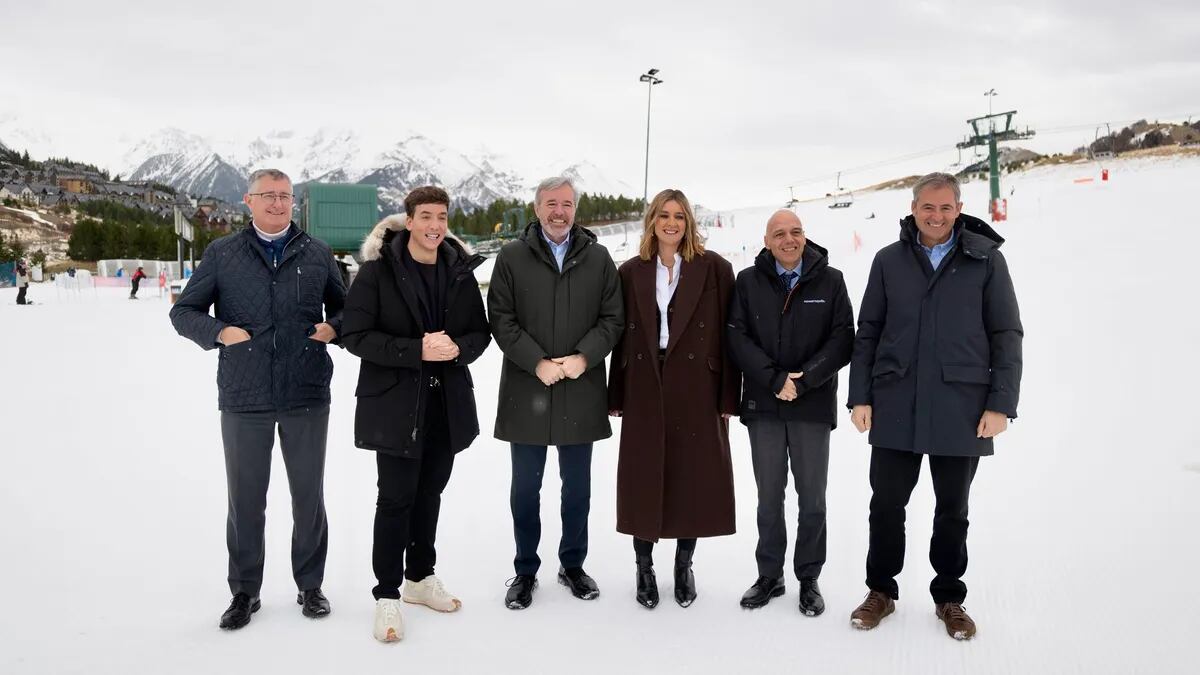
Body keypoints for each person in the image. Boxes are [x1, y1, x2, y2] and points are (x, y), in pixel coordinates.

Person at [846, 172, 1022, 641]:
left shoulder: (986, 260)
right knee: (886, 504)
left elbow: (1006, 333)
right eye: (928, 207)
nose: (937, 216)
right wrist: (860, 395)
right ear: (913, 208)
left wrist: (1001, 403)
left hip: (960, 404)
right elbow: (868, 332)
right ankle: (880, 591)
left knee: (952, 509)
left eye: (946, 207)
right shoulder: (889, 260)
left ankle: (949, 597)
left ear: (958, 209)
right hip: (896, 399)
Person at [169, 168, 346, 631]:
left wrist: (334, 328)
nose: (277, 203)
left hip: (306, 391)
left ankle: (310, 585)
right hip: (244, 396)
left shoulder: (318, 252)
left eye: (285, 195)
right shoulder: (223, 253)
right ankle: (245, 592)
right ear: (248, 201)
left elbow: (346, 308)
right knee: (246, 500)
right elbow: (183, 311)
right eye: (268, 195)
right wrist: (220, 332)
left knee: (308, 497)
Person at [341, 188, 491, 642]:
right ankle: (387, 594)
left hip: (446, 403)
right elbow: (355, 335)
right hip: (396, 405)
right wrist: (415, 350)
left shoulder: (459, 271)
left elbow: (480, 333)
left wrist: (457, 348)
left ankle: (420, 578)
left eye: (441, 217)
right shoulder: (377, 272)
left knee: (430, 494)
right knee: (395, 499)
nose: (434, 226)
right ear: (408, 221)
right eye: (425, 216)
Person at [487, 175, 623, 610]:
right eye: (551, 204)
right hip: (528, 387)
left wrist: (584, 357)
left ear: (575, 210)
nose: (559, 212)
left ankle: (572, 565)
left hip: (580, 388)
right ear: (537, 208)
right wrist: (537, 362)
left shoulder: (598, 258)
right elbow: (501, 318)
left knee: (577, 489)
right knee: (526, 490)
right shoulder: (512, 257)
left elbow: (613, 318)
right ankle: (525, 569)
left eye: (566, 204)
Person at [607, 189, 739, 609]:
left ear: (689, 223)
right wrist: (616, 392)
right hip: (645, 380)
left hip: (698, 383)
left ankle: (683, 566)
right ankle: (644, 567)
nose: (671, 223)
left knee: (691, 477)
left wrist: (728, 397)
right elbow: (620, 337)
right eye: (664, 215)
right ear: (652, 221)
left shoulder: (715, 268)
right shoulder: (630, 271)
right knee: (642, 476)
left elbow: (730, 335)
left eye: (679, 216)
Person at [726, 210, 854, 615]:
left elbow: (843, 338)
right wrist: (774, 379)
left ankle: (809, 578)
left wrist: (806, 379)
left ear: (805, 236)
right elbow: (736, 337)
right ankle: (770, 575)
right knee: (768, 497)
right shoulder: (748, 281)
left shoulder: (830, 281)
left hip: (811, 405)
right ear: (766, 241)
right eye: (779, 233)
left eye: (795, 231)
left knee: (812, 498)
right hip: (763, 404)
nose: (789, 239)